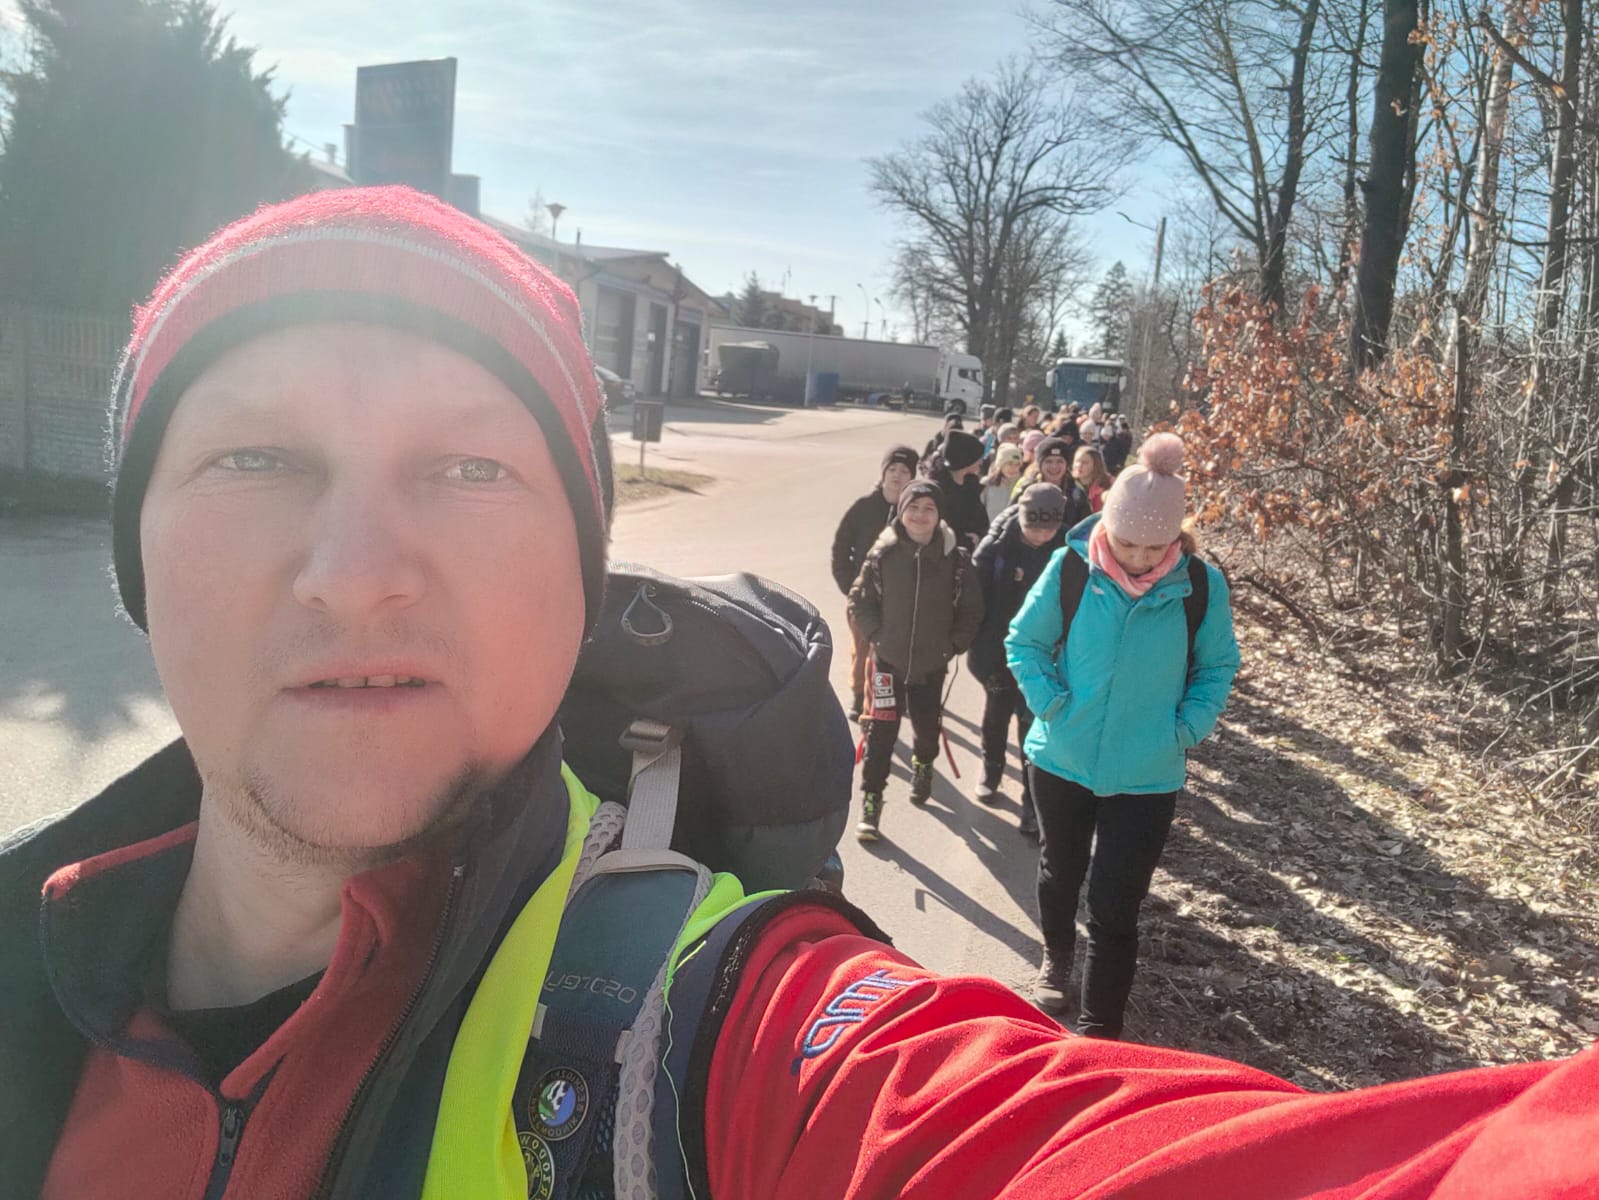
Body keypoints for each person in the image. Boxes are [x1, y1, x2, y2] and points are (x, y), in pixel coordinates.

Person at [5, 188, 1597, 1200]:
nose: (354, 573)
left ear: (578, 578)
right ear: (137, 559)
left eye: (470, 467)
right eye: (253, 458)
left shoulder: (706, 1039)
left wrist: (1149, 732)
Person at [1006, 432, 1241, 1036]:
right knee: (1061, 873)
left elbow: (1217, 666)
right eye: (1127, 542)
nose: (1138, 557)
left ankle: (1098, 1031)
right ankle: (1058, 957)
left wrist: (1187, 728)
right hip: (1062, 758)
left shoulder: (1201, 587)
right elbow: (1024, 642)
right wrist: (1051, 704)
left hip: (1147, 772)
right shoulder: (1071, 568)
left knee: (1116, 904)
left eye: (1154, 546)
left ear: (1176, 538)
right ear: (1107, 525)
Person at [847, 481, 983, 841]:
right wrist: (877, 637)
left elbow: (972, 609)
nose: (920, 515)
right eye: (914, 507)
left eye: (929, 509)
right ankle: (871, 802)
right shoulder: (883, 553)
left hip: (931, 666)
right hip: (887, 665)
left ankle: (924, 764)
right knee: (880, 734)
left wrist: (952, 645)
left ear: (939, 516)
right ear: (902, 510)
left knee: (926, 728)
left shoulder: (955, 559)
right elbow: (859, 601)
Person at [969, 483, 1069, 836]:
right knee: (996, 715)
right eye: (1033, 529)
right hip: (999, 650)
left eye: (1048, 529)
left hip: (1045, 654)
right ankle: (991, 768)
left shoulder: (1069, 549)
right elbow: (975, 602)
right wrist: (977, 652)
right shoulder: (996, 548)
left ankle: (1031, 801)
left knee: (1032, 726)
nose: (1040, 536)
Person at [831, 445, 919, 719]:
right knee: (863, 649)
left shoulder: (915, 511)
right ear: (883, 472)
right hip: (864, 597)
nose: (897, 475)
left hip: (899, 598)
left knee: (894, 652)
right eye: (892, 469)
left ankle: (887, 699)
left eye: (904, 471)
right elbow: (840, 548)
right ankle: (860, 696)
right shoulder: (864, 507)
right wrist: (850, 586)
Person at [924, 429, 990, 550]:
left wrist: (978, 535)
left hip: (969, 549)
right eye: (978, 458)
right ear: (966, 459)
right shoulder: (938, 488)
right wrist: (962, 540)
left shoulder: (972, 484)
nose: (981, 462)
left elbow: (981, 519)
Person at [981, 443, 1024, 521]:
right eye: (1010, 463)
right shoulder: (987, 483)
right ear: (1000, 464)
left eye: (1017, 464)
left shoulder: (1022, 484)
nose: (1013, 468)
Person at [1072, 443, 1113, 512]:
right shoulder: (1069, 484)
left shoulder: (1108, 484)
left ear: (1096, 465)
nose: (1079, 465)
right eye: (1077, 461)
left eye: (1085, 462)